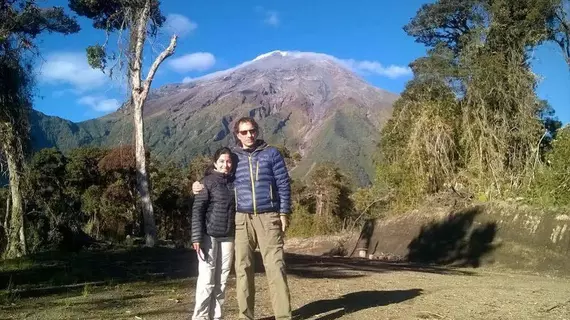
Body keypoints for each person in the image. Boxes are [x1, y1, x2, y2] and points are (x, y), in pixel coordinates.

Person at [193, 117, 292, 320]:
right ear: (237, 134)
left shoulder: (272, 154)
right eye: (244, 132)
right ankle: (245, 317)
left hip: (268, 216)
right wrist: (197, 184)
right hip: (241, 218)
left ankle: (283, 316)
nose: (249, 135)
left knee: (275, 266)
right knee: (243, 269)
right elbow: (218, 172)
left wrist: (283, 213)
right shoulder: (234, 156)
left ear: (257, 130)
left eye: (252, 130)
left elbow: (283, 184)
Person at [191, 147, 236, 320]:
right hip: (209, 237)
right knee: (206, 281)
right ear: (215, 163)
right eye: (222, 161)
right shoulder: (206, 182)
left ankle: (216, 317)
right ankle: (201, 317)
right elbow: (198, 210)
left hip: (228, 237)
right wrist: (196, 237)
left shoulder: (234, 183)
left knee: (222, 281)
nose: (226, 164)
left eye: (229, 161)